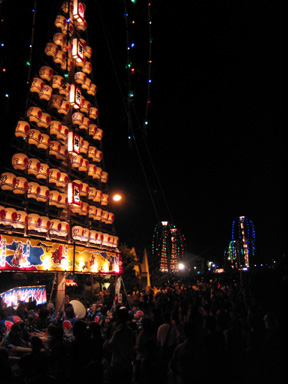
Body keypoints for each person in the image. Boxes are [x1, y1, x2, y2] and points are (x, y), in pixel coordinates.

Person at [108, 306, 135, 383]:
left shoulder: (118, 332)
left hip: (117, 363)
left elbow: (110, 344)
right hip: (127, 363)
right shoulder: (130, 331)